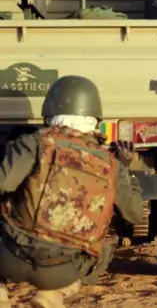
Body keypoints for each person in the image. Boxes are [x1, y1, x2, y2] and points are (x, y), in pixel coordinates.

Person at [0, 75, 144, 308]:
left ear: (50, 112)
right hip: (65, 270)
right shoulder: (110, 163)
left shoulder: (35, 142)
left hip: (11, 257)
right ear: (95, 120)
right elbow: (133, 214)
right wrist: (124, 169)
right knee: (104, 248)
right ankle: (52, 296)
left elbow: (3, 182)